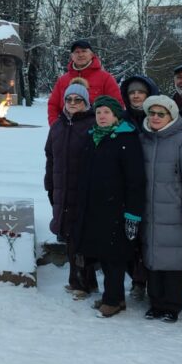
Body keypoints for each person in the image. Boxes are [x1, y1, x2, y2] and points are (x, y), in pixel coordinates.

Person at [72, 95, 144, 318]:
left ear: (116, 115)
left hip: (117, 208)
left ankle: (113, 300)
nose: (102, 116)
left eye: (106, 113)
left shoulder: (127, 139)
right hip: (95, 208)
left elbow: (135, 179)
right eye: (98, 113)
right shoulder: (93, 137)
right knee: (103, 254)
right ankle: (113, 297)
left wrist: (133, 214)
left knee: (115, 256)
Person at [137, 95, 182, 323]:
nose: (155, 117)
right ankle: (155, 303)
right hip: (150, 210)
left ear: (171, 116)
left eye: (160, 114)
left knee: (174, 259)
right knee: (152, 258)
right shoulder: (143, 139)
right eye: (151, 113)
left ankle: (172, 305)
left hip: (175, 210)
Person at [44, 78, 97, 297]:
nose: (73, 103)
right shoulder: (58, 125)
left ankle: (82, 283)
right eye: (69, 99)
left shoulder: (93, 124)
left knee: (81, 237)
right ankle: (79, 280)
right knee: (68, 235)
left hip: (83, 190)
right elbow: (50, 156)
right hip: (61, 189)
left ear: (86, 102)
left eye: (78, 99)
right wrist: (49, 184)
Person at [118, 73, 160, 300]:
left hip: (156, 183)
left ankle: (151, 281)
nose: (136, 96)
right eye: (132, 92)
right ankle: (136, 279)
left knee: (151, 236)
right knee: (130, 236)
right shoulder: (122, 119)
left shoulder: (157, 116)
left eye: (141, 92)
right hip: (128, 185)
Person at [47, 39, 121, 125]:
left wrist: (106, 130)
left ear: (91, 54)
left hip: (95, 133)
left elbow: (117, 105)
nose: (80, 54)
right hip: (67, 132)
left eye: (84, 51)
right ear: (72, 56)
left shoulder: (106, 78)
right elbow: (53, 105)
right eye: (77, 52)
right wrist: (56, 126)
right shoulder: (62, 80)